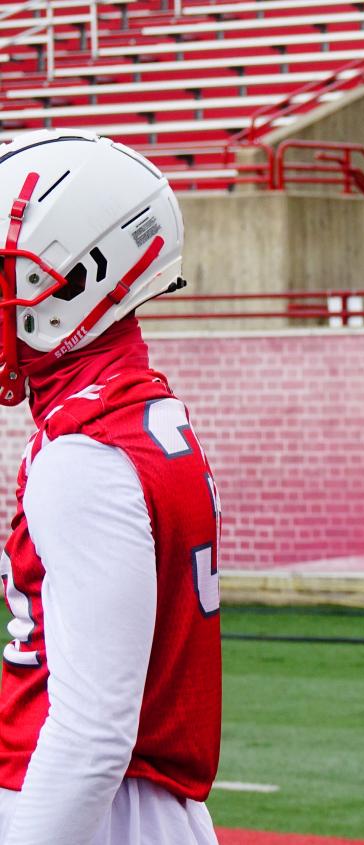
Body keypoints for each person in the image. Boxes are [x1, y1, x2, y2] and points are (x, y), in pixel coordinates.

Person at [0, 130, 221, 844]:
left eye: (8, 276)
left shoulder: (86, 453)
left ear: (80, 276)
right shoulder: (133, 410)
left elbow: (93, 735)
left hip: (92, 811)